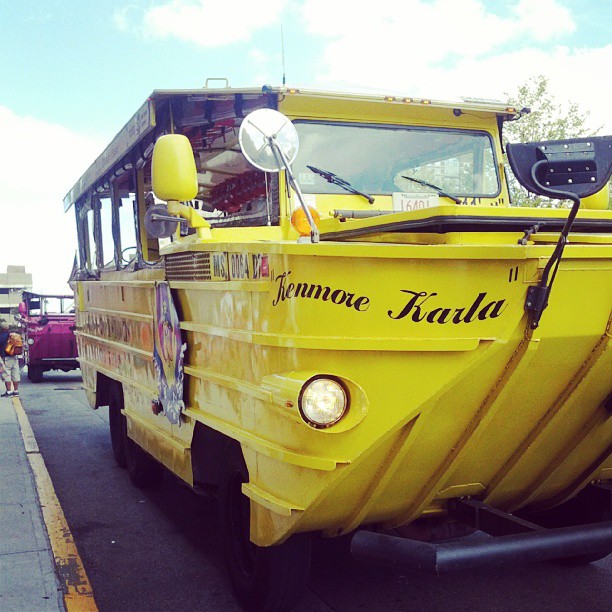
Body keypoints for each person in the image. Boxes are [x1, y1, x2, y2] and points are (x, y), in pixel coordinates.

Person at [0, 321, 20, 397]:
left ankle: (9, 392)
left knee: (6, 374)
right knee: (15, 373)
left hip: (6, 357)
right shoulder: (13, 336)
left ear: (1, 328)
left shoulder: (1, 336)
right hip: (14, 356)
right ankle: (16, 391)